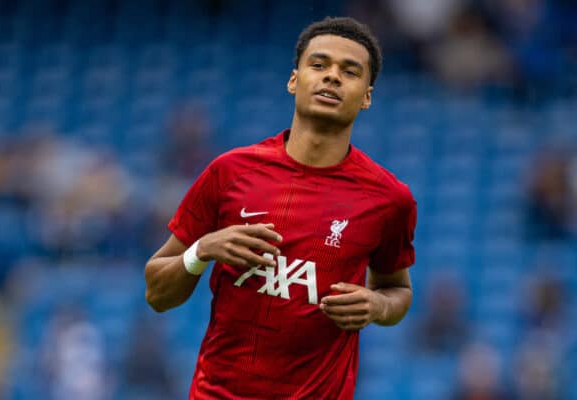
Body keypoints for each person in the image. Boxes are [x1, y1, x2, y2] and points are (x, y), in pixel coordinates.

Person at [145, 17, 417, 399]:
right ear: (294, 80)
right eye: (319, 65)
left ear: (367, 96)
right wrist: (201, 249)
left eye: (349, 71)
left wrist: (377, 306)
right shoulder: (230, 172)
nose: (332, 77)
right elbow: (157, 293)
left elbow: (397, 291)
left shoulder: (389, 199)